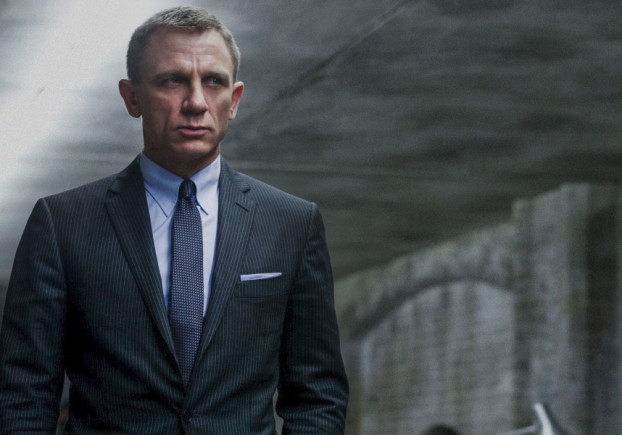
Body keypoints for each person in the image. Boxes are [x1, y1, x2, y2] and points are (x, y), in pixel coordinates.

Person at [0, 6, 348, 434]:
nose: (196, 103)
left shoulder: (292, 223)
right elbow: (24, 394)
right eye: (172, 80)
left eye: (214, 81)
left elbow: (318, 393)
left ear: (235, 100)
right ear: (132, 97)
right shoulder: (62, 223)